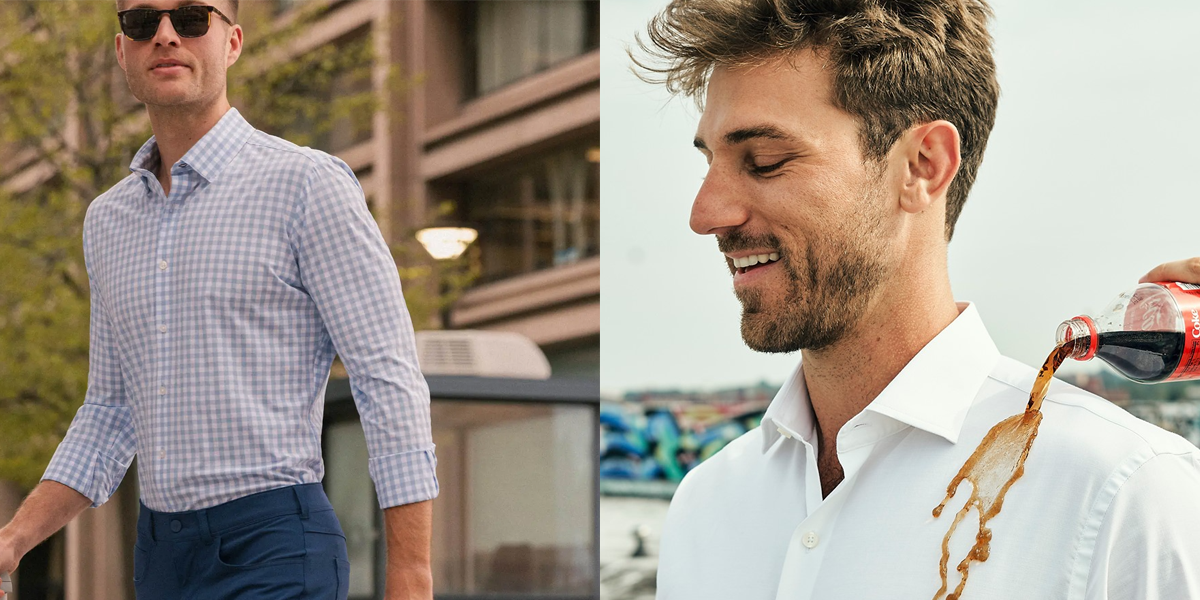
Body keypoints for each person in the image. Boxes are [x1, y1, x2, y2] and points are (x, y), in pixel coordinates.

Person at [632, 1, 1200, 598]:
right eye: (708, 161)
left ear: (923, 166)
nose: (706, 214)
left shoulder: (1123, 494)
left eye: (765, 161)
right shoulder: (705, 504)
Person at [0, 1, 436, 598]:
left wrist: (411, 575)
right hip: (159, 555)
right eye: (141, 23)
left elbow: (387, 376)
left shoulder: (307, 184)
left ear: (231, 42)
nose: (166, 36)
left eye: (190, 18)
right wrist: (15, 538)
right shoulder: (107, 220)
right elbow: (109, 411)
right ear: (123, 52)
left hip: (275, 544)